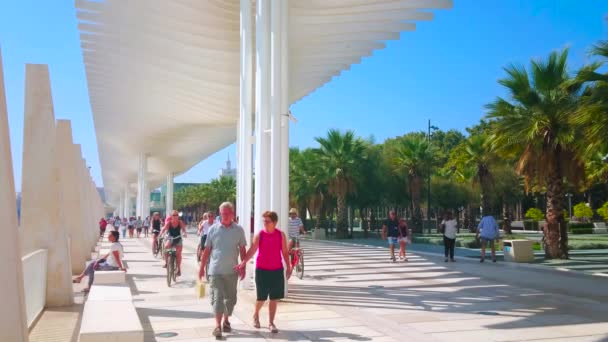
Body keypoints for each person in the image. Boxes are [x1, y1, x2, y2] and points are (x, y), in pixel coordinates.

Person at [236, 211, 291, 334]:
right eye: (264, 221)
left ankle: (271, 323)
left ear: (275, 222)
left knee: (274, 298)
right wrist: (243, 262)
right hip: (262, 270)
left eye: (267, 221)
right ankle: (256, 315)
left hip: (276, 270)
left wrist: (289, 266)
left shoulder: (280, 235)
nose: (265, 223)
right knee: (261, 298)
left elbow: (285, 252)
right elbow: (252, 250)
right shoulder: (260, 235)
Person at [199, 202, 247, 338]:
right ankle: (217, 326)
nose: (224, 216)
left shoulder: (239, 230)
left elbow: (243, 249)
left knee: (230, 300)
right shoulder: (213, 229)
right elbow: (207, 250)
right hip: (215, 271)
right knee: (217, 299)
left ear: (232, 214)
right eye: (222, 213)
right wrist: (202, 267)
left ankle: (226, 321)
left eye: (227, 213)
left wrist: (243, 266)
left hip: (232, 271)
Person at [160, 210, 188, 276]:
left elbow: (184, 229)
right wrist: (161, 233)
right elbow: (164, 229)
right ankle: (167, 262)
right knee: (166, 248)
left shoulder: (180, 222)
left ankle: (179, 269)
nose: (175, 216)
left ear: (178, 216)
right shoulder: (169, 223)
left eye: (176, 215)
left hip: (178, 238)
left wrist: (184, 233)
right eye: (173, 215)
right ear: (171, 216)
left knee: (178, 253)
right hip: (170, 238)